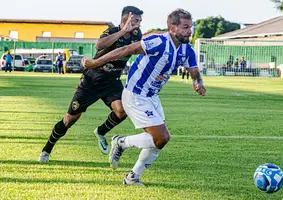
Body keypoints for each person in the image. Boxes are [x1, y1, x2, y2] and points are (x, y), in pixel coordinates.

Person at [83, 8, 206, 186]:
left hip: (152, 97)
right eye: (185, 27)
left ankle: (133, 177)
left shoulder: (187, 50)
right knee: (162, 137)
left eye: (191, 27)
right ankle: (121, 142)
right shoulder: (158, 42)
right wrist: (95, 63)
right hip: (135, 94)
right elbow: (125, 49)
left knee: (159, 142)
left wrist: (198, 82)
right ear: (172, 28)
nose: (190, 31)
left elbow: (194, 71)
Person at [39, 6, 144, 162]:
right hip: (92, 81)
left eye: (140, 21)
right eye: (136, 20)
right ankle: (47, 149)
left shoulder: (137, 35)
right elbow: (99, 45)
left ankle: (100, 132)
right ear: (125, 19)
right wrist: (122, 31)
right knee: (69, 120)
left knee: (122, 111)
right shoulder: (111, 31)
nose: (139, 24)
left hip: (112, 82)